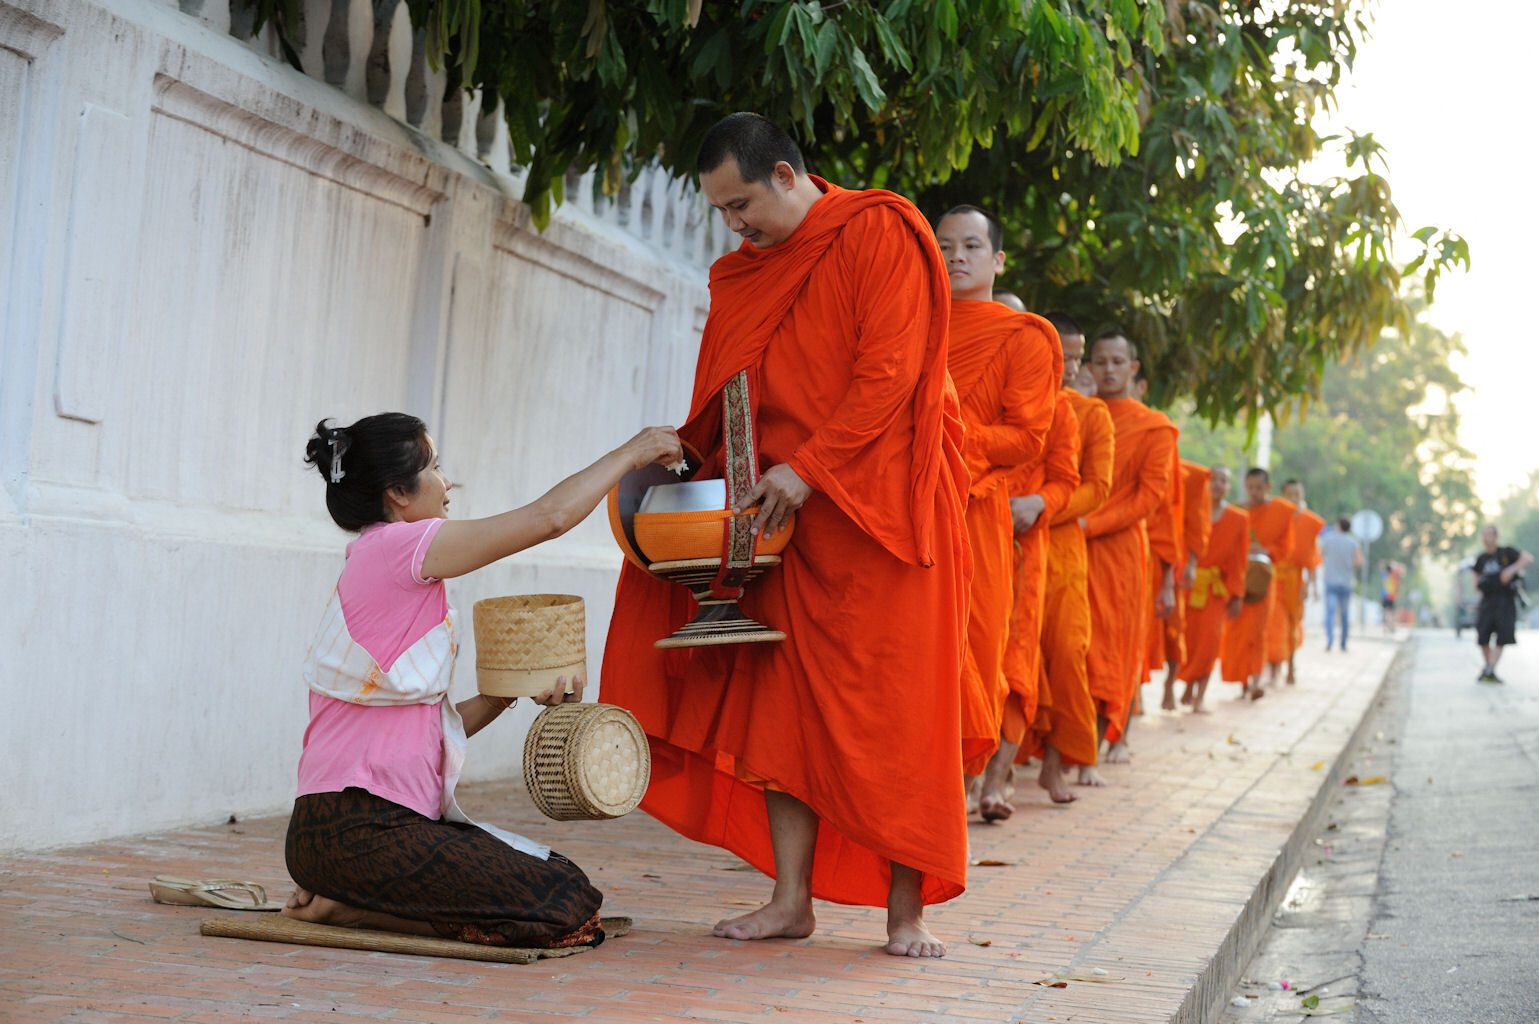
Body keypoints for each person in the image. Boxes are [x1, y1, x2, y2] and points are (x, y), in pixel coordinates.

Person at [600, 113, 970, 958]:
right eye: (721, 211)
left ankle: (904, 912)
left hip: (881, 510)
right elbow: (731, 392)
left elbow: (893, 370)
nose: (733, 225)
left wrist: (810, 468)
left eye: (740, 205)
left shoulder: (878, 231)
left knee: (900, 708)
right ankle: (789, 899)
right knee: (782, 710)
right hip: (781, 518)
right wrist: (687, 466)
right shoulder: (745, 273)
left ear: (785, 175)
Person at [283, 413, 683, 948]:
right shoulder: (398, 548)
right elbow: (550, 518)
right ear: (398, 493)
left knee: (562, 877)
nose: (449, 482)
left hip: (353, 835)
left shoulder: (388, 566)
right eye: (435, 466)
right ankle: (350, 911)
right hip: (354, 831)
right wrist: (632, 454)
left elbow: (431, 734)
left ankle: (348, 901)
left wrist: (504, 695)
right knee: (562, 907)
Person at [933, 205, 1059, 821]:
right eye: (946, 244)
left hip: (976, 509)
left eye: (972, 245)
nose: (957, 256)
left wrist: (949, 435)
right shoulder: (909, 321)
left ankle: (954, 797)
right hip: (902, 507)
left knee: (974, 649)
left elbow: (1028, 436)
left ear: (997, 259)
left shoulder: (1023, 336)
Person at [1026, 312, 1112, 797]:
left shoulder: (1090, 412)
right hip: (1007, 538)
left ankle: (1055, 764)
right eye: (1065, 354)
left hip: (1059, 548)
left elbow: (1097, 489)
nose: (1070, 366)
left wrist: (1041, 509)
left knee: (1064, 653)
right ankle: (988, 777)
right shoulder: (1017, 396)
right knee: (1009, 655)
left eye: (1077, 358)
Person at [1081, 332, 1177, 765]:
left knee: (1110, 645)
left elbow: (1149, 497)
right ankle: (1067, 744)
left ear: (1133, 368)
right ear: (1088, 366)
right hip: (1068, 540)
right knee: (1068, 646)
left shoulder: (1154, 426)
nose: (1109, 369)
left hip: (1118, 550)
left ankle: (1099, 743)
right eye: (1100, 361)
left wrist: (1091, 524)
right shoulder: (1075, 412)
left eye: (1118, 361)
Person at [1174, 466, 1248, 714]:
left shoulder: (1238, 519)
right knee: (1187, 642)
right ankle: (1186, 687)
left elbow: (1239, 560)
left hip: (1216, 592)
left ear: (1229, 487)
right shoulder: (1192, 511)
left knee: (1209, 645)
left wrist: (1236, 594)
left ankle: (1199, 697)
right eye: (1213, 480)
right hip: (1187, 585)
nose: (1217, 485)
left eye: (1223, 481)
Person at [1217, 468, 1293, 700]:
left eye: (1259, 487)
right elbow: (1226, 543)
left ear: (1268, 487)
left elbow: (1286, 548)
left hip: (1263, 580)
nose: (1254, 492)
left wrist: (1266, 550)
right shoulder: (1237, 511)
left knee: (1259, 631)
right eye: (1250, 487)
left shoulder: (1280, 512)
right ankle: (1243, 682)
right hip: (1239, 578)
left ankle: (1256, 680)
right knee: (1237, 631)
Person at [1266, 480, 1325, 684]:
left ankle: (1290, 665)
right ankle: (1273, 669)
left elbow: (1311, 559)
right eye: (1290, 494)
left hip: (1295, 581)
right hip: (1273, 578)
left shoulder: (1307, 523)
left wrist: (1310, 586)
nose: (1294, 498)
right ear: (1282, 494)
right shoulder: (1274, 518)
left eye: (1297, 494)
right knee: (1273, 624)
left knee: (1292, 624)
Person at [1472, 524, 1533, 683]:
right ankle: (1489, 669)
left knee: (1502, 637)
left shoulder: (1506, 553)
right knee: (1483, 637)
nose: (1486, 538)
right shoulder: (1481, 559)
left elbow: (1528, 558)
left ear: (1495, 537)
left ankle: (1489, 669)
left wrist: (1511, 569)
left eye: (1489, 535)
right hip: (1487, 601)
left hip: (1505, 601)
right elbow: (1475, 579)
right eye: (1483, 535)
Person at [1317, 516, 1361, 652]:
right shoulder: (1353, 543)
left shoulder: (1328, 539)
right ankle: (1343, 643)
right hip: (1346, 582)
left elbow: (1319, 555)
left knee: (1330, 612)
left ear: (1337, 526)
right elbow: (1359, 562)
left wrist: (1330, 562)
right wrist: (1348, 565)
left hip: (1331, 581)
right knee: (1345, 614)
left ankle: (1330, 640)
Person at [1379, 560, 1405, 634]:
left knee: (1384, 612)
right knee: (1391, 613)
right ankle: (1391, 626)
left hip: (1385, 597)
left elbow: (1380, 565)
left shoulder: (1384, 575)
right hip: (1392, 597)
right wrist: (1395, 564)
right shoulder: (1395, 576)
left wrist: (1388, 563)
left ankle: (1385, 628)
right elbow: (1402, 569)